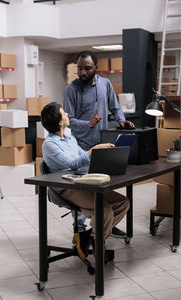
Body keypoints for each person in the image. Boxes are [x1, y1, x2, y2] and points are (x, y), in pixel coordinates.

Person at [41, 102, 130, 260]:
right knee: (104, 209)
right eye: (65, 113)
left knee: (123, 202)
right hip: (65, 187)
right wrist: (92, 151)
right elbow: (72, 163)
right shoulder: (49, 145)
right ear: (60, 122)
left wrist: (102, 154)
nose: (68, 114)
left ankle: (87, 237)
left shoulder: (70, 138)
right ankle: (97, 242)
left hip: (82, 181)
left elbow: (82, 157)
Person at [64, 50, 134, 237]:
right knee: (83, 190)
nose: (83, 72)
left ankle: (107, 222)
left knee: (105, 186)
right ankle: (79, 230)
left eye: (87, 68)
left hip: (103, 145)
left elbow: (115, 107)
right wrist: (88, 123)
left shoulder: (105, 84)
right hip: (81, 147)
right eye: (80, 68)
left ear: (96, 68)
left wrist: (121, 120)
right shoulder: (72, 89)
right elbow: (69, 120)